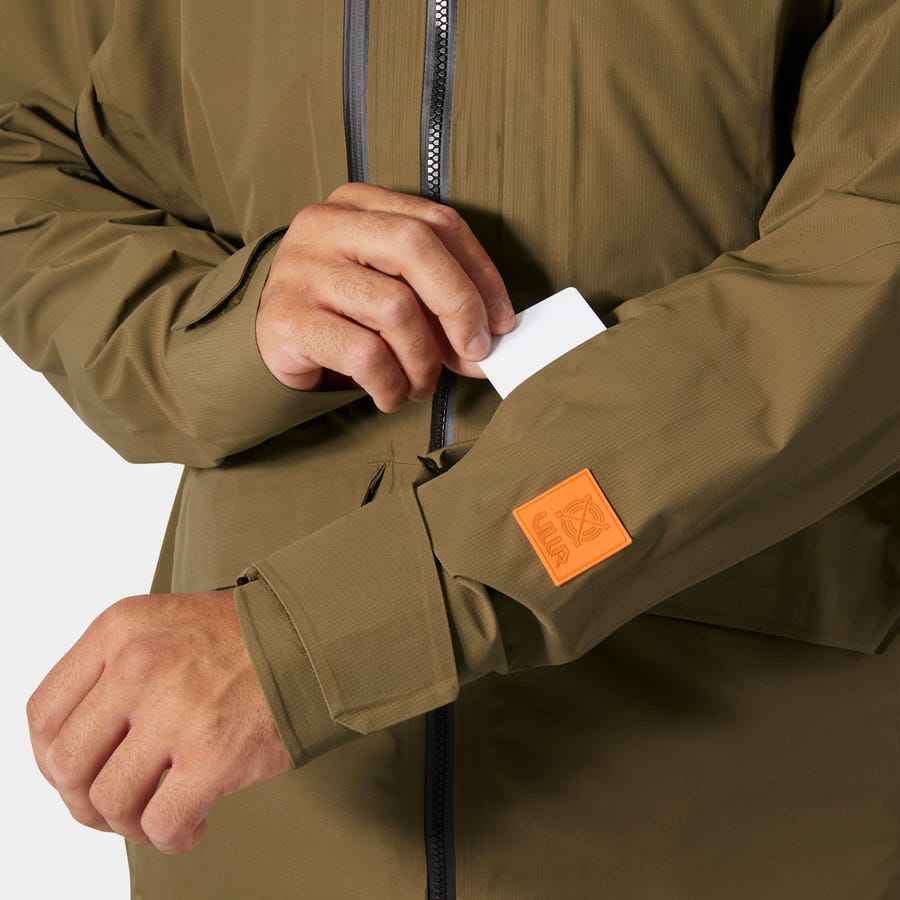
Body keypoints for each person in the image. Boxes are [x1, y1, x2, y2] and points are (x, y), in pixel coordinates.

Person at [1, 1, 898, 897]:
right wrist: (226, 320)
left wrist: (324, 634)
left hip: (728, 807)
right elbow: (20, 151)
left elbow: (866, 268)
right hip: (250, 787)